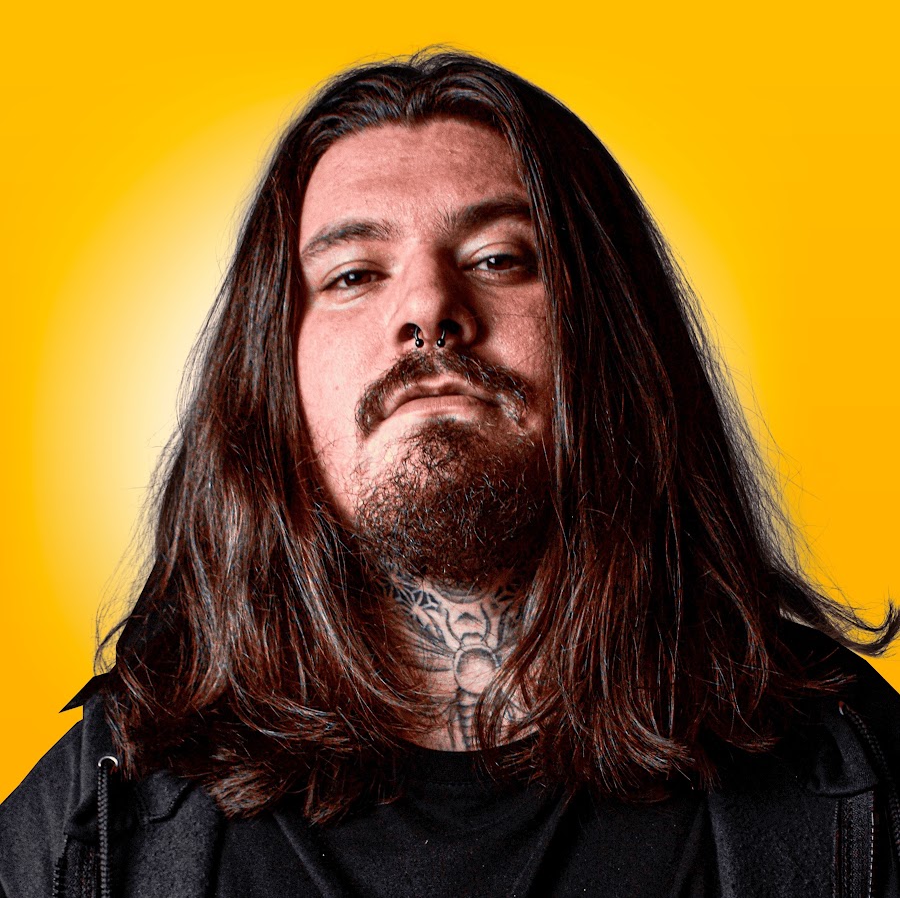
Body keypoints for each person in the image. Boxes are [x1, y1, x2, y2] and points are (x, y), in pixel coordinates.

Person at [1, 50, 898, 898]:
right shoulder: (107, 802)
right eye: (354, 274)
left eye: (499, 259)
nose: (429, 306)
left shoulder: (853, 773)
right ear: (272, 375)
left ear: (616, 335)